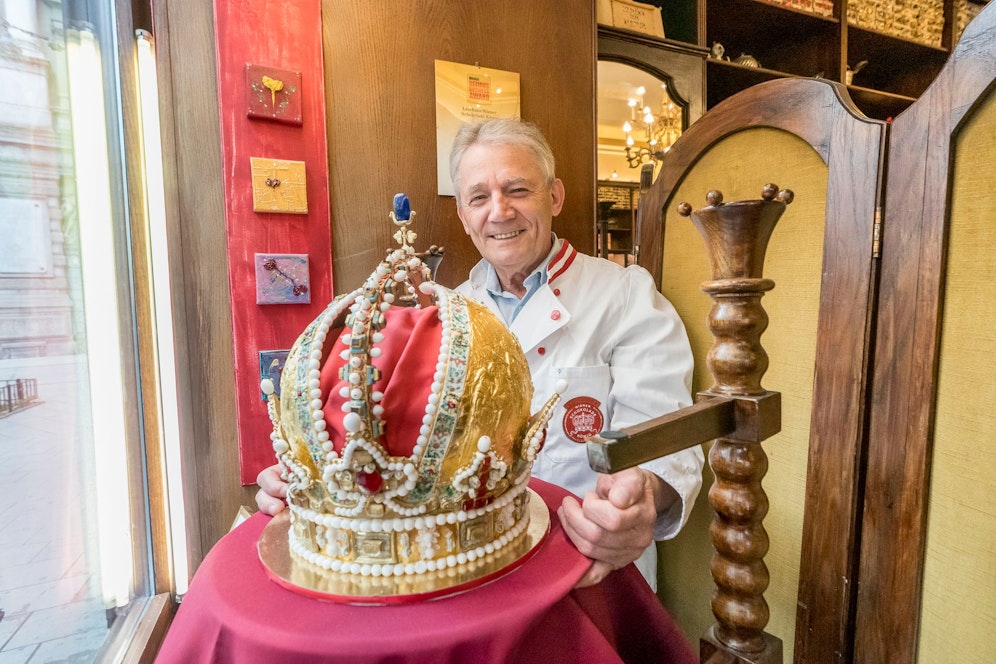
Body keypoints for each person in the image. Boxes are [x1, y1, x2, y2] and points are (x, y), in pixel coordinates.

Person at [257, 118, 703, 590]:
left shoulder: (626, 295)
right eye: (478, 198)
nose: (500, 211)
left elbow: (666, 436)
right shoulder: (440, 322)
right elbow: (388, 450)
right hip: (470, 573)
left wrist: (644, 499)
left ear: (554, 196)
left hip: (588, 565)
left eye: (517, 189)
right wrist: (307, 479)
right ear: (464, 218)